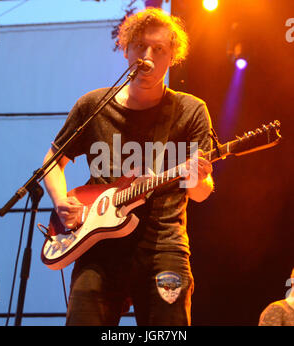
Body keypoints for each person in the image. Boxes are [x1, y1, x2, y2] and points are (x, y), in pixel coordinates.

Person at [43, 8, 214, 326]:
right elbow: (53, 161)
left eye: (158, 49)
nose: (146, 56)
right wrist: (60, 199)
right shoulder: (93, 106)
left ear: (172, 57)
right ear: (126, 49)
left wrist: (195, 176)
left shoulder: (190, 111)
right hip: (99, 243)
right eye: (139, 46)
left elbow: (201, 193)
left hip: (163, 247)